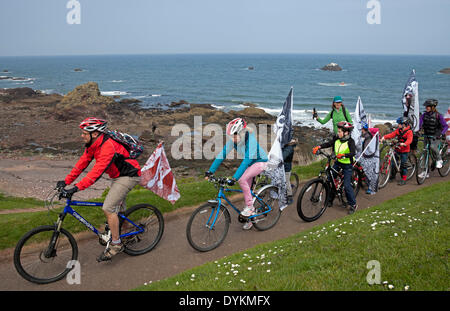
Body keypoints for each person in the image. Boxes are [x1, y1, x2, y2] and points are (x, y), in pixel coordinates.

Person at [57, 117, 141, 261]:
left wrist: (75, 188)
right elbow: (82, 164)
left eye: (84, 133)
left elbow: (95, 174)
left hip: (128, 176)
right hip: (117, 176)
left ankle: (116, 244)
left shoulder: (108, 147)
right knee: (118, 210)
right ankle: (128, 233)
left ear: (94, 134)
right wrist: (66, 181)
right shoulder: (93, 144)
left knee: (108, 208)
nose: (81, 136)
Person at [205, 118, 268, 230]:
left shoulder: (251, 141)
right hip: (250, 164)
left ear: (242, 133)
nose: (232, 139)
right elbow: (222, 154)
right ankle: (251, 217)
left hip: (260, 162)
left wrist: (235, 178)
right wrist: (211, 171)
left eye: (234, 136)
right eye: (230, 136)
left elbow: (247, 160)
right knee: (246, 190)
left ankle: (250, 208)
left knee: (242, 180)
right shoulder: (234, 141)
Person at [312, 121, 358, 214]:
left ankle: (353, 204)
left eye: (340, 131)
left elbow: (353, 153)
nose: (338, 133)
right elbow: (329, 143)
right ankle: (330, 199)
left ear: (346, 132)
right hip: (338, 162)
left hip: (347, 165)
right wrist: (319, 146)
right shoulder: (337, 139)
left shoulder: (350, 141)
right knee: (330, 180)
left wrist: (344, 155)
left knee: (346, 185)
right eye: (338, 131)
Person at [380, 117, 413, 185]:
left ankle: (404, 179)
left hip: (404, 150)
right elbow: (392, 135)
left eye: (400, 124)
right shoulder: (398, 130)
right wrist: (384, 137)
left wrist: (404, 144)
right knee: (393, 163)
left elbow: (409, 140)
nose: (398, 125)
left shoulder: (409, 132)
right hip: (397, 148)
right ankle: (392, 176)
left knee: (403, 165)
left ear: (404, 124)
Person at [419, 99, 448, 169]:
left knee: (432, 146)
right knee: (425, 151)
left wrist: (442, 133)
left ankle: (439, 160)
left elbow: (445, 126)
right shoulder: (424, 115)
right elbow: (419, 124)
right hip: (427, 134)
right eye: (426, 106)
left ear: (433, 107)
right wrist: (417, 131)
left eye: (428, 106)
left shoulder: (438, 116)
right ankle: (425, 171)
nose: (426, 108)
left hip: (436, 135)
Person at [360, 123, 378, 195]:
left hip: (368, 157)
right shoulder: (363, 135)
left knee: (368, 172)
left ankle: (371, 187)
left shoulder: (368, 138)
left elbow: (368, 149)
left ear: (363, 129)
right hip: (363, 155)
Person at [282, 138, 297, 204]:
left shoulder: (289, 148)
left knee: (286, 181)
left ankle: (290, 197)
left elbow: (283, 156)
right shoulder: (286, 145)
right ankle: (290, 186)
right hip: (283, 165)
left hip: (286, 167)